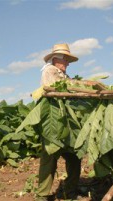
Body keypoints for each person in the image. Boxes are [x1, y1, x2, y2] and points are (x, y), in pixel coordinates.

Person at [35, 43, 82, 201]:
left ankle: (70, 191)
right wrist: (74, 86)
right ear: (56, 59)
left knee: (74, 157)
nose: (68, 63)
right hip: (53, 118)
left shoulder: (64, 75)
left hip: (67, 120)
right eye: (66, 60)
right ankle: (42, 195)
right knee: (49, 159)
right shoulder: (49, 71)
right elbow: (54, 89)